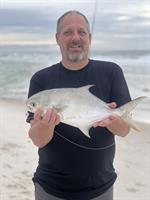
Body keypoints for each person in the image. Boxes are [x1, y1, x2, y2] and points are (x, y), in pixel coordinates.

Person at [26, 10, 131, 200]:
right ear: (57, 38)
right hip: (51, 188)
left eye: (81, 32)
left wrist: (110, 119)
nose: (76, 37)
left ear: (89, 38)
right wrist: (46, 125)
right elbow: (37, 140)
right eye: (68, 32)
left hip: (101, 187)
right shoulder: (41, 79)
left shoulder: (111, 72)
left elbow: (124, 130)